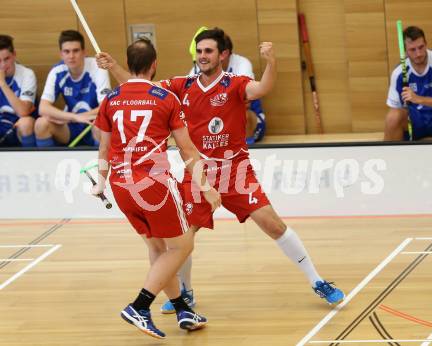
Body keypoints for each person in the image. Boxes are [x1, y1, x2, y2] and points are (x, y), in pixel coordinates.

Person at [96, 28, 344, 316]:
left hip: (235, 173)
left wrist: (272, 63)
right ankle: (186, 292)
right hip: (198, 176)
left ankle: (317, 281)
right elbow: (139, 88)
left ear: (223, 55)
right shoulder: (181, 85)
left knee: (273, 225)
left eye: (209, 51)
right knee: (182, 238)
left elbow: (262, 88)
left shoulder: (236, 84)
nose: (202, 56)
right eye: (199, 51)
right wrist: (114, 66)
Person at [92, 38, 221, 339]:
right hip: (154, 183)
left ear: (129, 62)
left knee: (158, 247)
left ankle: (181, 309)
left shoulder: (110, 99)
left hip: (121, 184)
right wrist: (206, 187)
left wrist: (100, 181)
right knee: (183, 245)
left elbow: (103, 148)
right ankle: (140, 305)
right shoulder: (165, 98)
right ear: (154, 65)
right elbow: (188, 151)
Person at [35, 30, 111, 147]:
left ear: (84, 52)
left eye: (76, 51)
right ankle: (46, 164)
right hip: (71, 125)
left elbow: (106, 106)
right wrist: (75, 117)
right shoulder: (57, 71)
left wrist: (82, 117)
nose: (71, 56)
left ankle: (101, 164)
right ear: (61, 54)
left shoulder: (97, 68)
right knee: (41, 124)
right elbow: (43, 108)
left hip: (94, 123)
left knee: (101, 126)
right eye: (67, 51)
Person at [189, 31, 266, 145]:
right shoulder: (201, 66)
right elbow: (189, 101)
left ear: (224, 54)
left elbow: (245, 103)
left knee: (242, 115)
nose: (205, 56)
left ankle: (247, 154)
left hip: (249, 118)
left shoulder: (242, 64)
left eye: (210, 51)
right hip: (217, 119)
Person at [384, 26, 432, 141]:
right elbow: (395, 109)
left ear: (426, 44)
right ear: (405, 51)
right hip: (414, 120)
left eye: (421, 47)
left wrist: (419, 99)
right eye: (412, 50)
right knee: (393, 117)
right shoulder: (399, 72)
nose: (418, 53)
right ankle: (391, 157)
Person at [0, 35, 37, 147]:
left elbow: (23, 111)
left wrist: (2, 83)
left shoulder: (27, 74)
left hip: (17, 125)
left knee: (26, 123)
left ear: (14, 55)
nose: (3, 65)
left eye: (7, 59)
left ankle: (30, 161)